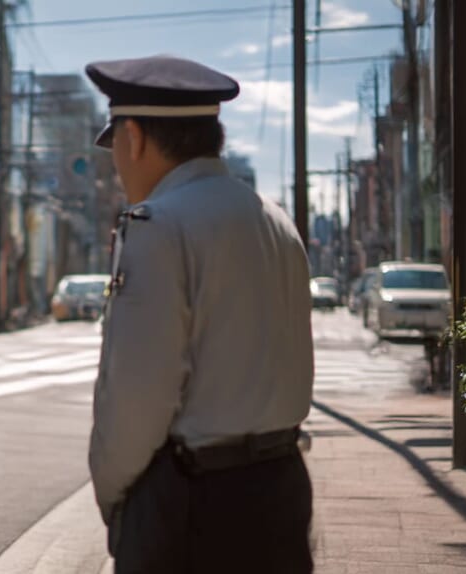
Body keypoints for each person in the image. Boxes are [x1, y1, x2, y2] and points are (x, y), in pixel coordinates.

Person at [85, 55, 314, 572]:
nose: (117, 166)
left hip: (193, 503)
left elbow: (137, 397)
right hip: (282, 484)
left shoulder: (158, 224)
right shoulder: (275, 220)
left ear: (134, 139)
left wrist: (118, 502)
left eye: (115, 145)